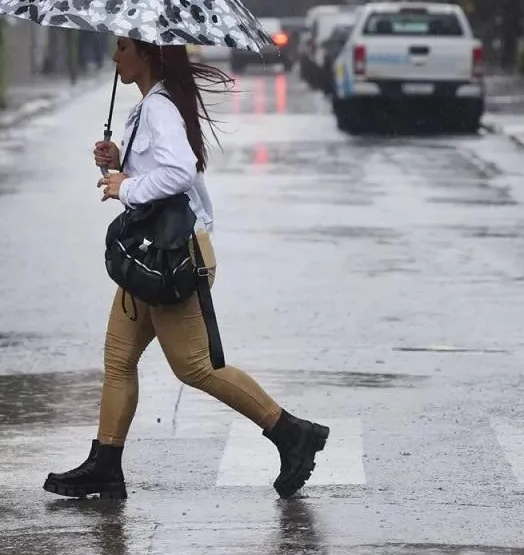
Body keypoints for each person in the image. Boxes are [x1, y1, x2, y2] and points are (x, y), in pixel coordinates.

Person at [43, 37, 330, 501]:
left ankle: (292, 433)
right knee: (119, 359)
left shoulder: (159, 109)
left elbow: (178, 173)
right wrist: (119, 163)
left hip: (174, 257)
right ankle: (105, 464)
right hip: (152, 252)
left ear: (148, 55)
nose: (115, 57)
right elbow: (162, 170)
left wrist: (125, 188)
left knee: (195, 367)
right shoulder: (150, 106)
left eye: (122, 49)